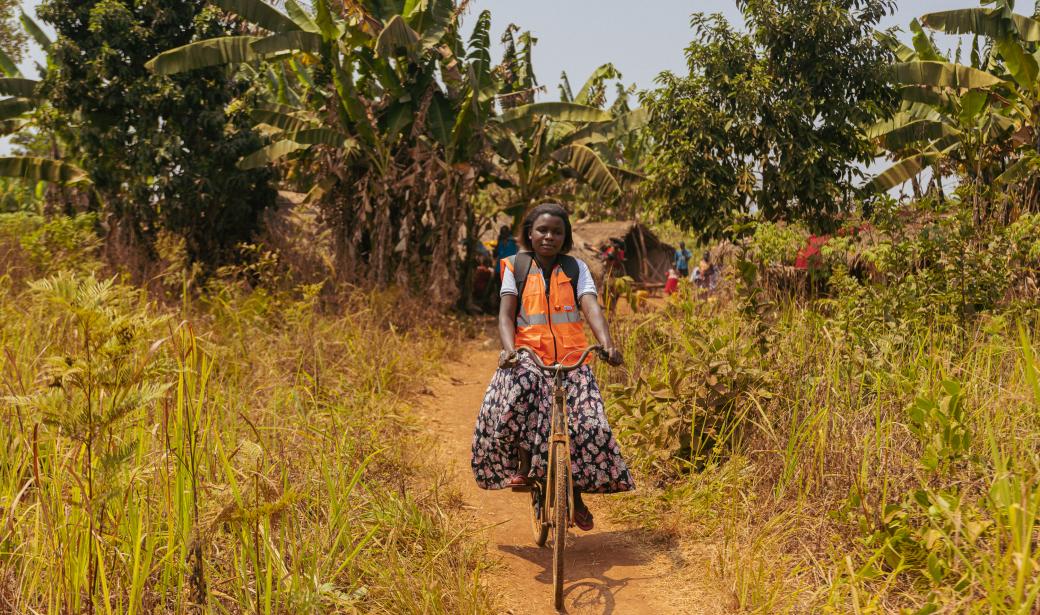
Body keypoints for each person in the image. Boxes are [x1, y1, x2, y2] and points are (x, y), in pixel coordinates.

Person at [471, 203, 635, 532]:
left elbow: (591, 306)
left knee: (591, 424)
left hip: (572, 357)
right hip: (528, 354)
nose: (549, 236)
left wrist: (607, 343)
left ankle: (574, 493)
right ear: (529, 233)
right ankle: (522, 463)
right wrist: (509, 351)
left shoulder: (576, 268)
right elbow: (506, 315)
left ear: (566, 236)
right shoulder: (514, 266)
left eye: (557, 232)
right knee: (519, 395)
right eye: (542, 230)